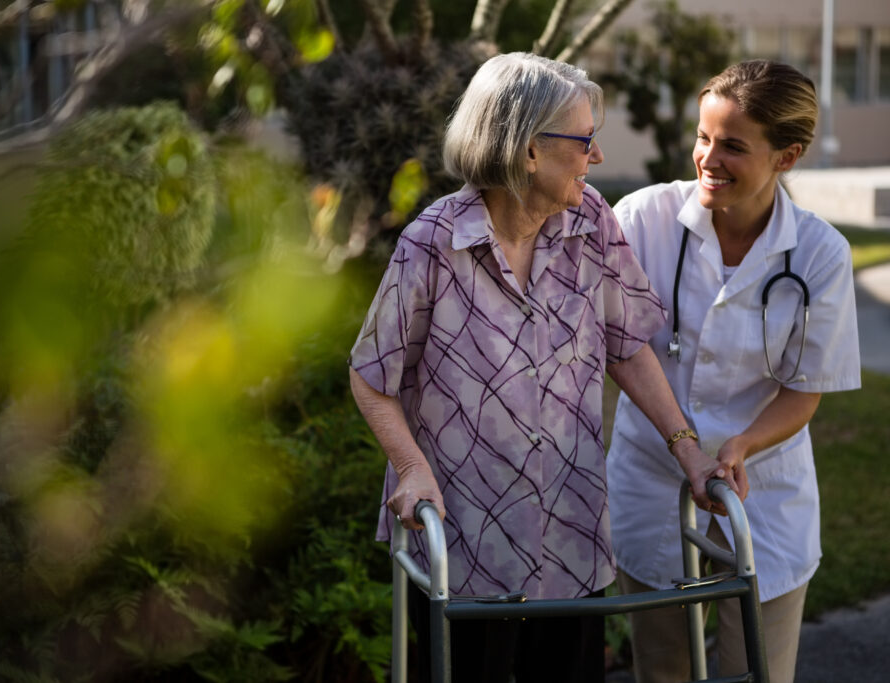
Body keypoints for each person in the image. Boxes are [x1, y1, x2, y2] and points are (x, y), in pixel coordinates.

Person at [348, 52, 737, 683]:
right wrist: (411, 468)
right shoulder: (433, 243)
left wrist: (687, 448)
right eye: (585, 141)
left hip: (571, 538)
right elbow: (371, 375)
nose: (598, 157)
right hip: (465, 546)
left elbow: (628, 344)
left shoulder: (591, 223)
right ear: (530, 151)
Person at [607, 59, 862, 683]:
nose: (708, 158)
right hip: (654, 475)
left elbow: (804, 390)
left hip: (764, 493)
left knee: (760, 669)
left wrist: (744, 444)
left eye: (734, 147)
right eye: (703, 137)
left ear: (788, 156)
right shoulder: (643, 221)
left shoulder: (821, 254)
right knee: (664, 667)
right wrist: (687, 445)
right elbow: (617, 344)